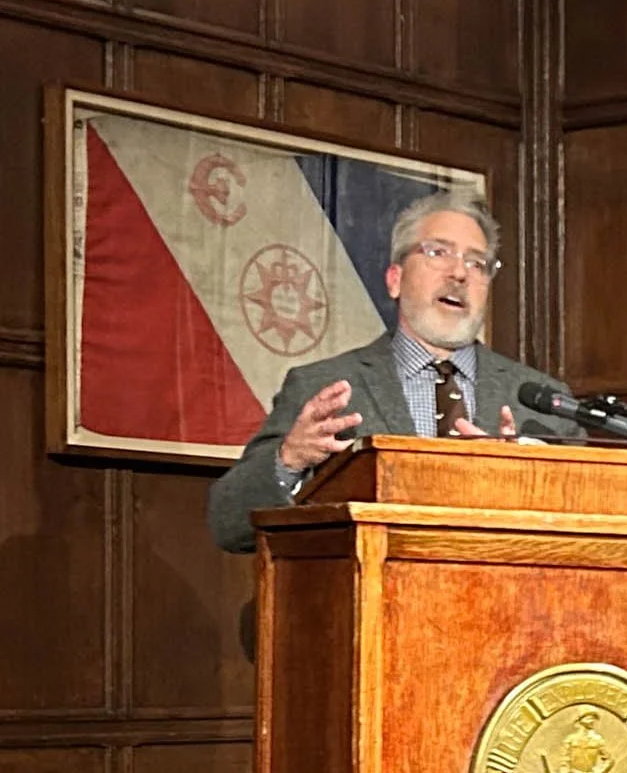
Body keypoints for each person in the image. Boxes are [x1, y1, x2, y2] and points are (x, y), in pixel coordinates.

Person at [207, 191, 584, 554]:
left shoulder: (541, 404)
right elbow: (228, 524)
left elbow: (592, 530)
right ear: (395, 279)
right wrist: (289, 459)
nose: (459, 273)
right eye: (438, 252)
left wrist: (532, 483)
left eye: (477, 263)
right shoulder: (322, 388)